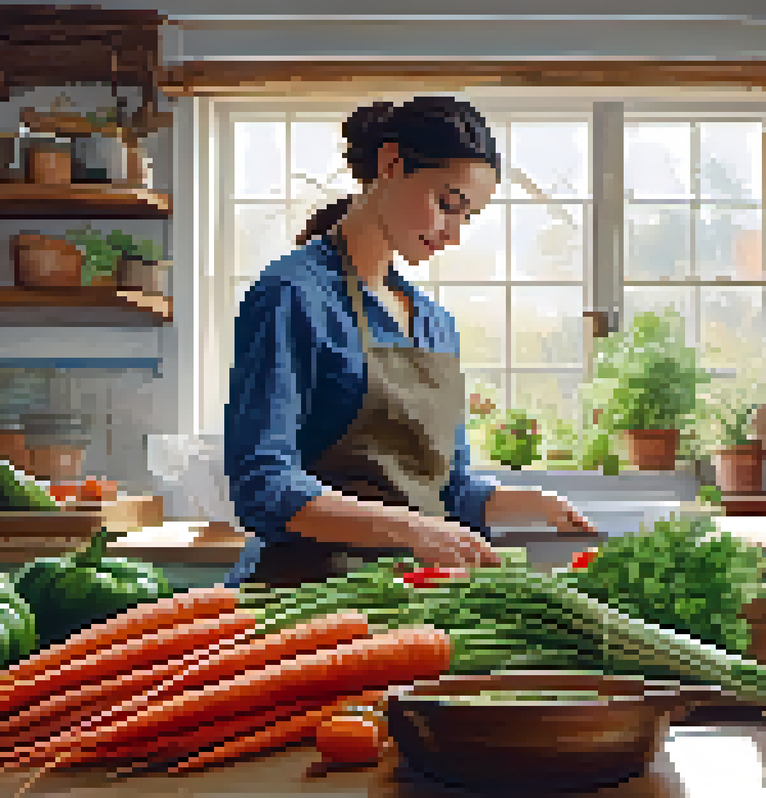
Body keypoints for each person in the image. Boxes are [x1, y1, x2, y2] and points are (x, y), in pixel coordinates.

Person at [222, 96, 597, 588]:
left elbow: (449, 489)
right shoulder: (292, 296)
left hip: (411, 597)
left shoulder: (435, 323)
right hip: (308, 598)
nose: (454, 233)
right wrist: (413, 531)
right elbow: (263, 486)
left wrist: (529, 501)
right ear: (390, 164)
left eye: (468, 217)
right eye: (447, 204)